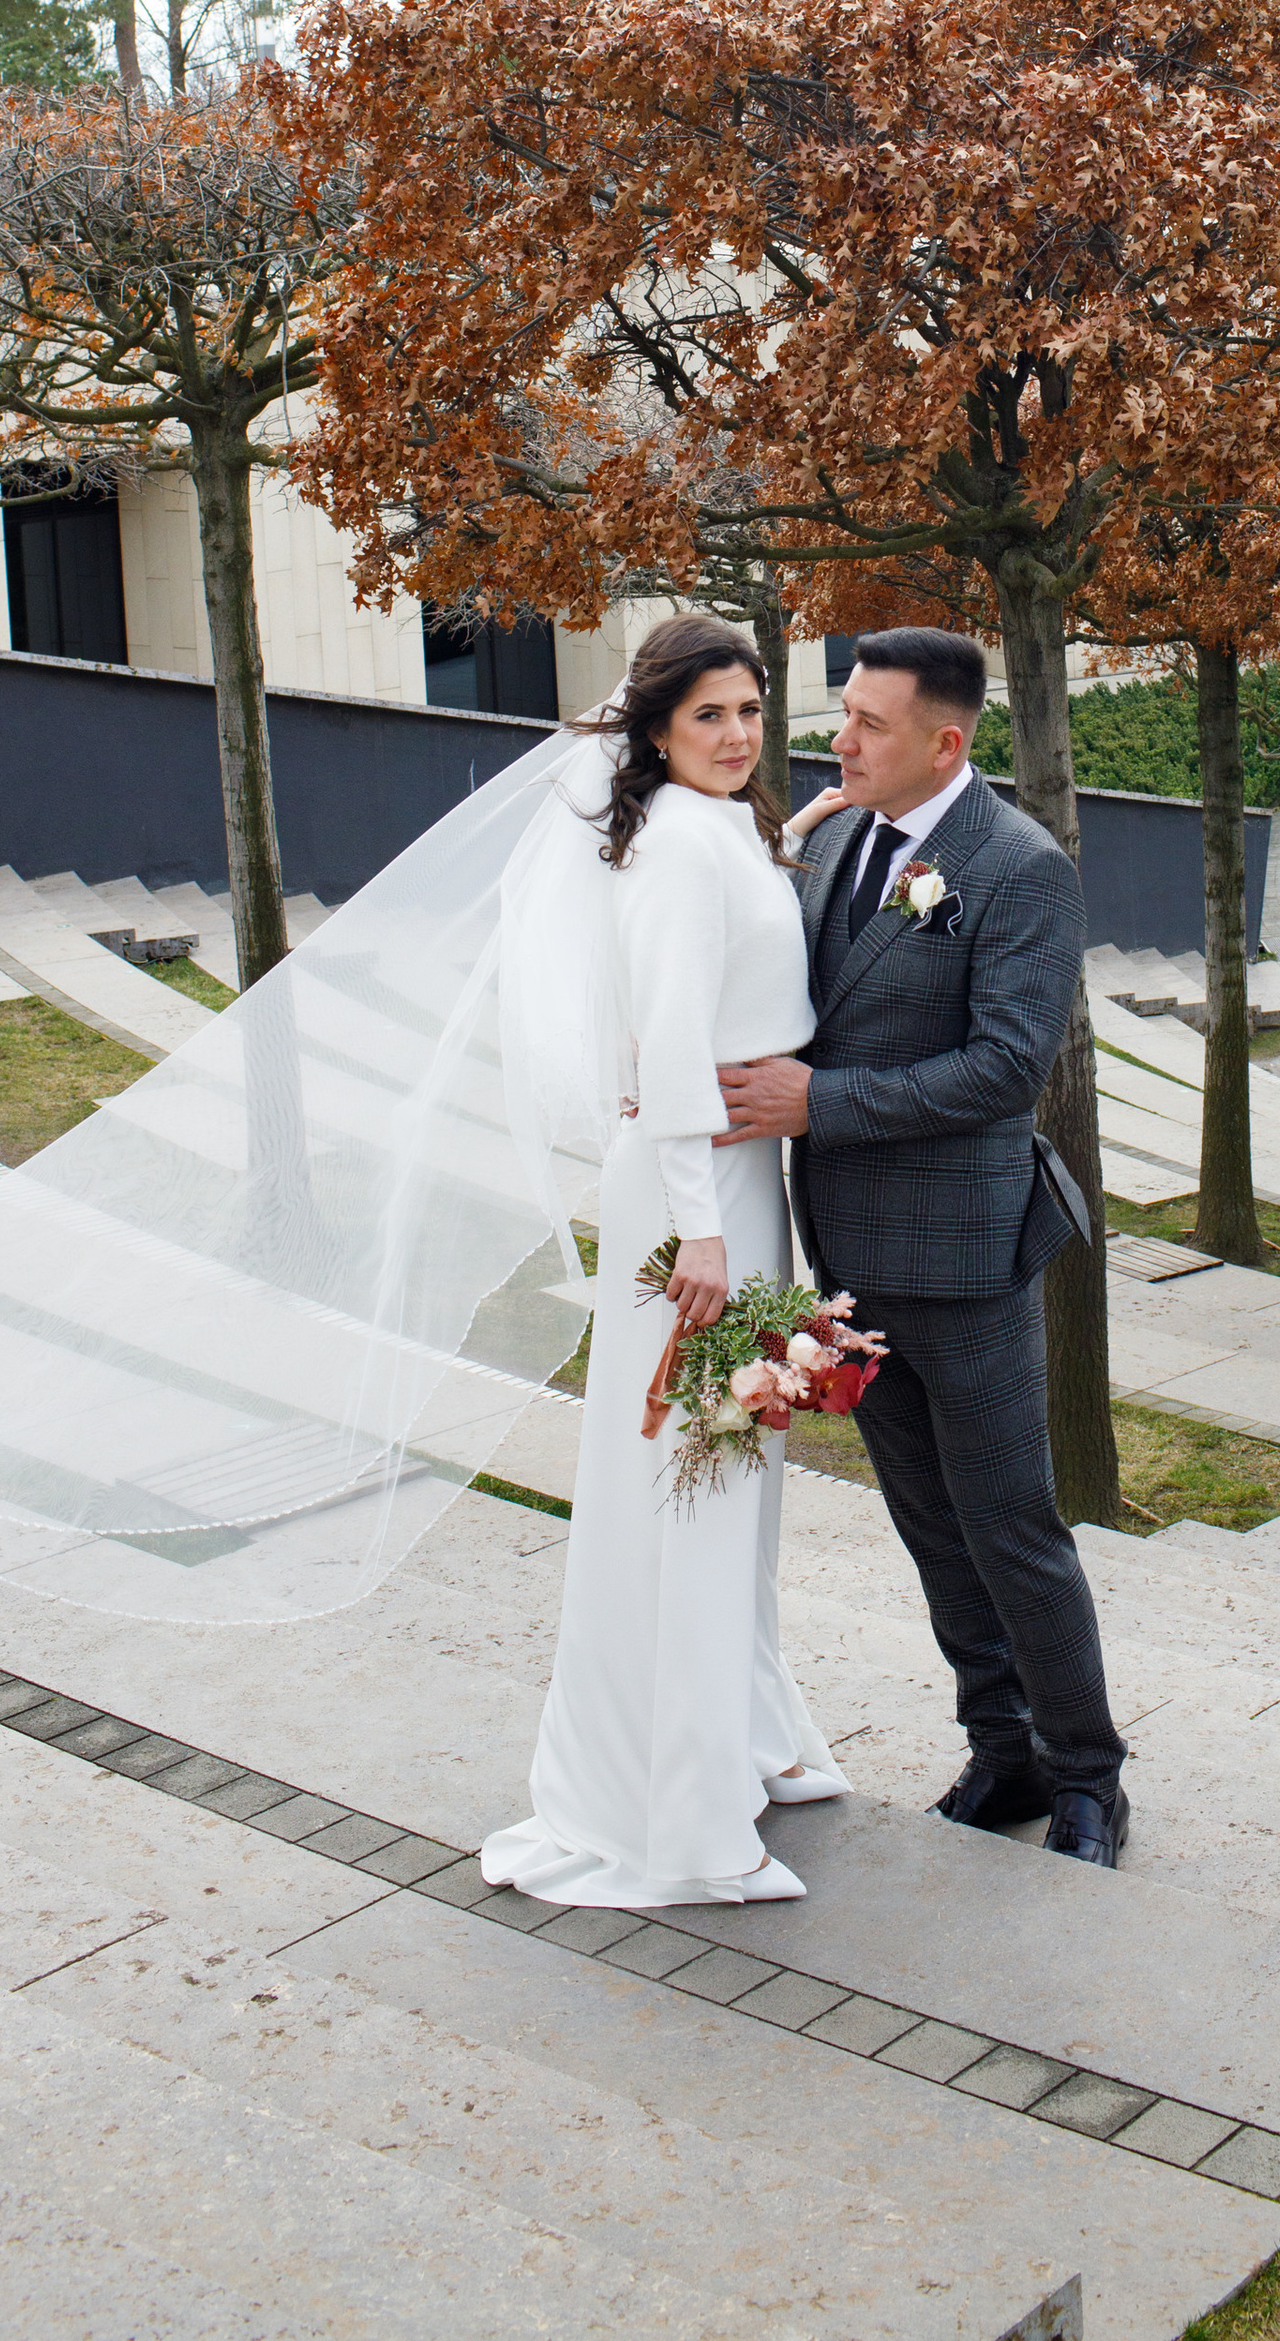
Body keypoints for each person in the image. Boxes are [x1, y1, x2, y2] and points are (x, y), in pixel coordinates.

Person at [716, 628, 1130, 1869]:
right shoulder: (839, 835)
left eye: (869, 724)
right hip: (849, 1257)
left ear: (946, 744)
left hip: (965, 1254)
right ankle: (1002, 1749)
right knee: (930, 1524)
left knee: (1010, 1526)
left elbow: (1006, 1069)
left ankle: (1088, 1777)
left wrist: (818, 1104)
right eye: (843, 711)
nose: (838, 740)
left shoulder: (1020, 867)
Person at [479, 613, 852, 1909]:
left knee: (735, 1466)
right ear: (655, 729)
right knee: (694, 1476)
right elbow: (672, 1036)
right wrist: (699, 1227)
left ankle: (741, 1734)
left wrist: (803, 829)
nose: (738, 735)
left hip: (735, 1180)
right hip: (700, 1195)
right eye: (709, 717)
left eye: (750, 711)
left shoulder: (723, 828)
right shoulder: (682, 848)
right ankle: (681, 1816)